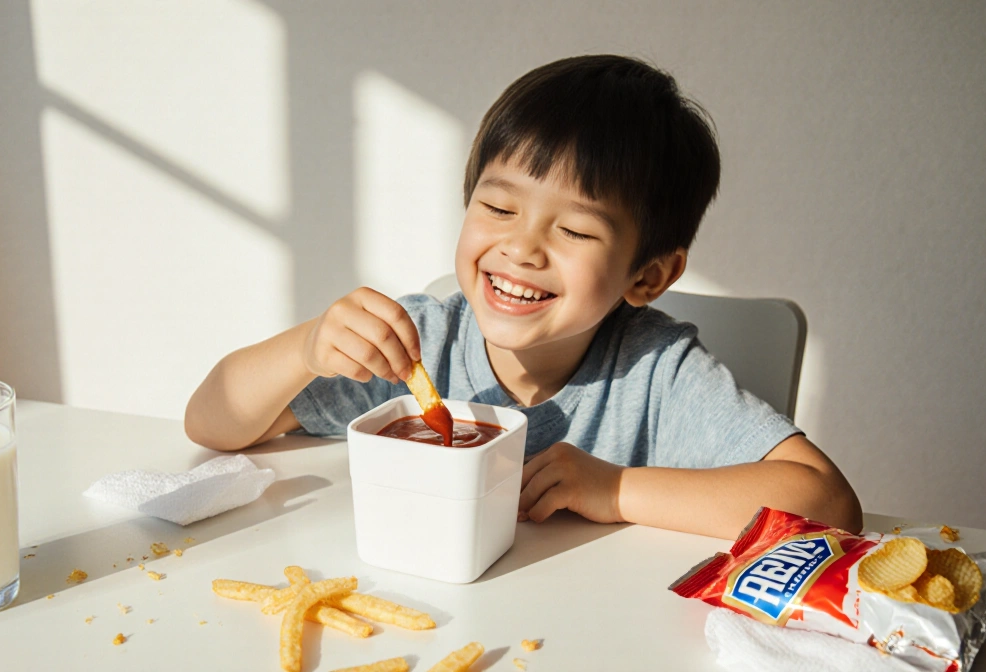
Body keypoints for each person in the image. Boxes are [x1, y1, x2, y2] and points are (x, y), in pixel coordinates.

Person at [185, 54, 862, 540]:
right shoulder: (421, 344)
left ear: (648, 276)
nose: (522, 248)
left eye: (572, 228)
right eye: (499, 209)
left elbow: (827, 503)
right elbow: (210, 423)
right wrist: (306, 348)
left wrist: (615, 488)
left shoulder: (656, 373)